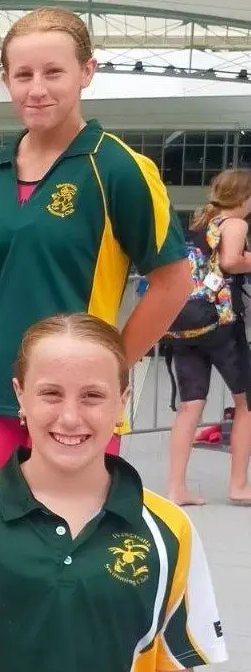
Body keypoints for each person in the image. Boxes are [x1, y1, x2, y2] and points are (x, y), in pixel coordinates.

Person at [0, 312, 229, 671]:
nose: (69, 418)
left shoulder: (169, 531)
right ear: (20, 395)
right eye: (51, 393)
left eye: (92, 396)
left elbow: (175, 662)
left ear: (123, 400)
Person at [0, 8, 192, 478]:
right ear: (6, 80)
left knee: (75, 541)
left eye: (53, 72)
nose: (37, 88)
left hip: (81, 405)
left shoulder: (118, 169)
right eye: (23, 74)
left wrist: (108, 369)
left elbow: (173, 282)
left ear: (87, 72)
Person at [165, 168, 251, 506]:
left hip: (185, 325)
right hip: (222, 325)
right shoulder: (235, 224)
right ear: (243, 196)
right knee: (245, 404)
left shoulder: (201, 224)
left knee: (190, 406)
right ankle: (239, 486)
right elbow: (230, 261)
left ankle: (176, 488)